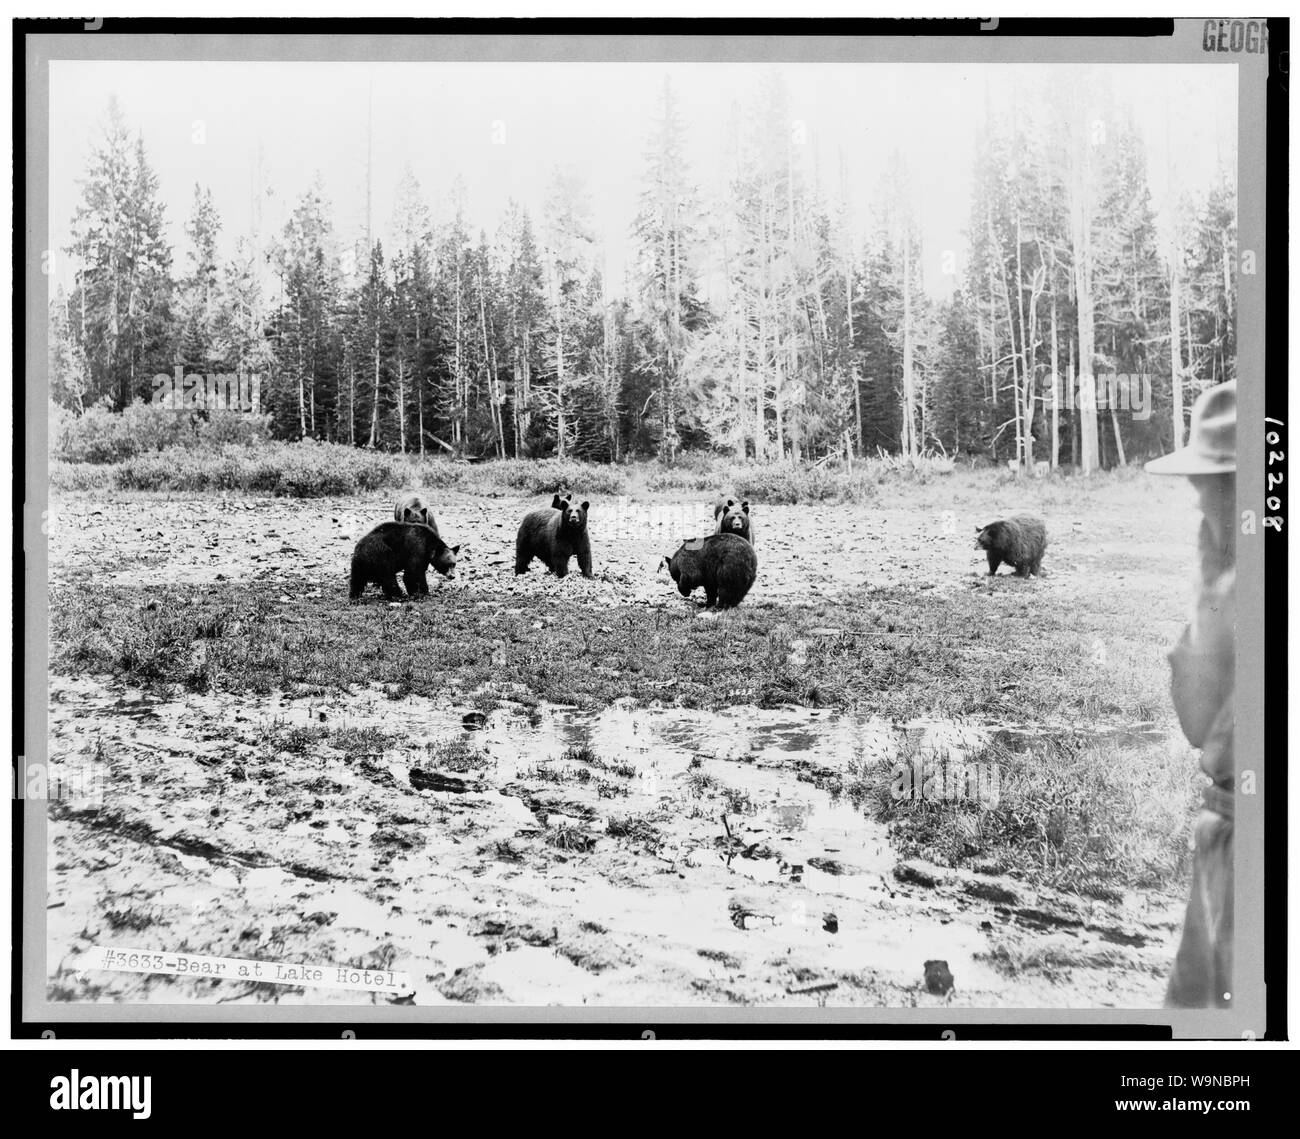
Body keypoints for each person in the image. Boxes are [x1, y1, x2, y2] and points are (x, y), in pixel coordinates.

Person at [1145, 380, 1236, 1009]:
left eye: (1210, 479)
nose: (1196, 493)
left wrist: (1208, 582)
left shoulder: (1237, 588)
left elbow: (1200, 717)